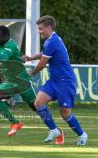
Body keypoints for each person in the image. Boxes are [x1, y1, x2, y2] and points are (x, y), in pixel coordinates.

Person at [23, 15, 88, 145]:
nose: (39, 31)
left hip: (66, 82)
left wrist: (30, 74)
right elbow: (44, 53)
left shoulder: (52, 41)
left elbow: (42, 65)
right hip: (54, 81)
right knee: (39, 103)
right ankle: (54, 129)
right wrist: (31, 58)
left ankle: (82, 135)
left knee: (65, 113)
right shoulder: (51, 40)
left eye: (41, 29)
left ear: (49, 27)